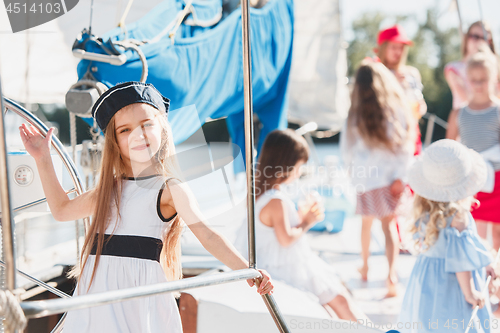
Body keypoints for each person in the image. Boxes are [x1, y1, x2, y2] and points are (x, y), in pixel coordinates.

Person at [19, 81, 274, 333]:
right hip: (96, 294)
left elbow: (207, 235)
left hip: (139, 299)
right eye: (125, 130)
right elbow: (62, 210)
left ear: (162, 129)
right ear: (115, 143)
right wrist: (43, 159)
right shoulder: (110, 190)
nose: (138, 135)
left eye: (146, 125)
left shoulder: (170, 188)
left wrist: (247, 270)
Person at [236, 129, 366, 321]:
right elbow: (286, 239)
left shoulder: (262, 193)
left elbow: (274, 232)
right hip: (289, 270)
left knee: (336, 303)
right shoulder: (276, 200)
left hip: (285, 264)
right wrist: (307, 222)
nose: (299, 173)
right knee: (340, 301)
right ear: (286, 164)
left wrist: (300, 216)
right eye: (299, 167)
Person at [399, 139, 495, 333]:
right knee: (456, 321)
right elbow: (461, 262)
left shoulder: (423, 213)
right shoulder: (458, 218)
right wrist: (469, 293)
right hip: (455, 284)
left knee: (429, 321)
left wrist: (486, 263)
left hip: (427, 278)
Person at [341, 61, 416, 297]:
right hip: (390, 180)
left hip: (366, 180)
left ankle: (365, 267)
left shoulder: (354, 116)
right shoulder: (397, 111)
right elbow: (406, 145)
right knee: (389, 227)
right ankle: (391, 276)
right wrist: (401, 177)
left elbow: (347, 150)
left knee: (366, 224)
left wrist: (352, 175)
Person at [446, 51, 500, 249]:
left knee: (497, 230)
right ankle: (479, 268)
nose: (478, 85)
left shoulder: (498, 110)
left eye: (483, 80)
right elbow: (449, 147)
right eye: (474, 80)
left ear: (494, 78)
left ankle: (496, 272)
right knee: (473, 227)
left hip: (497, 178)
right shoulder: (459, 113)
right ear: (467, 81)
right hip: (470, 180)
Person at [375, 24, 427, 155]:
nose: (397, 52)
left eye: (401, 48)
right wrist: (392, 82)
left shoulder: (412, 73)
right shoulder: (374, 72)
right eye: (393, 47)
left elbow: (421, 104)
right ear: (383, 47)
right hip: (384, 134)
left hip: (411, 133)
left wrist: (421, 108)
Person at [445, 21, 496, 111]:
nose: (480, 41)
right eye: (475, 37)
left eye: (484, 38)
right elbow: (468, 99)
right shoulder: (453, 68)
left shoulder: (496, 67)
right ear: (467, 38)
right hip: (466, 121)